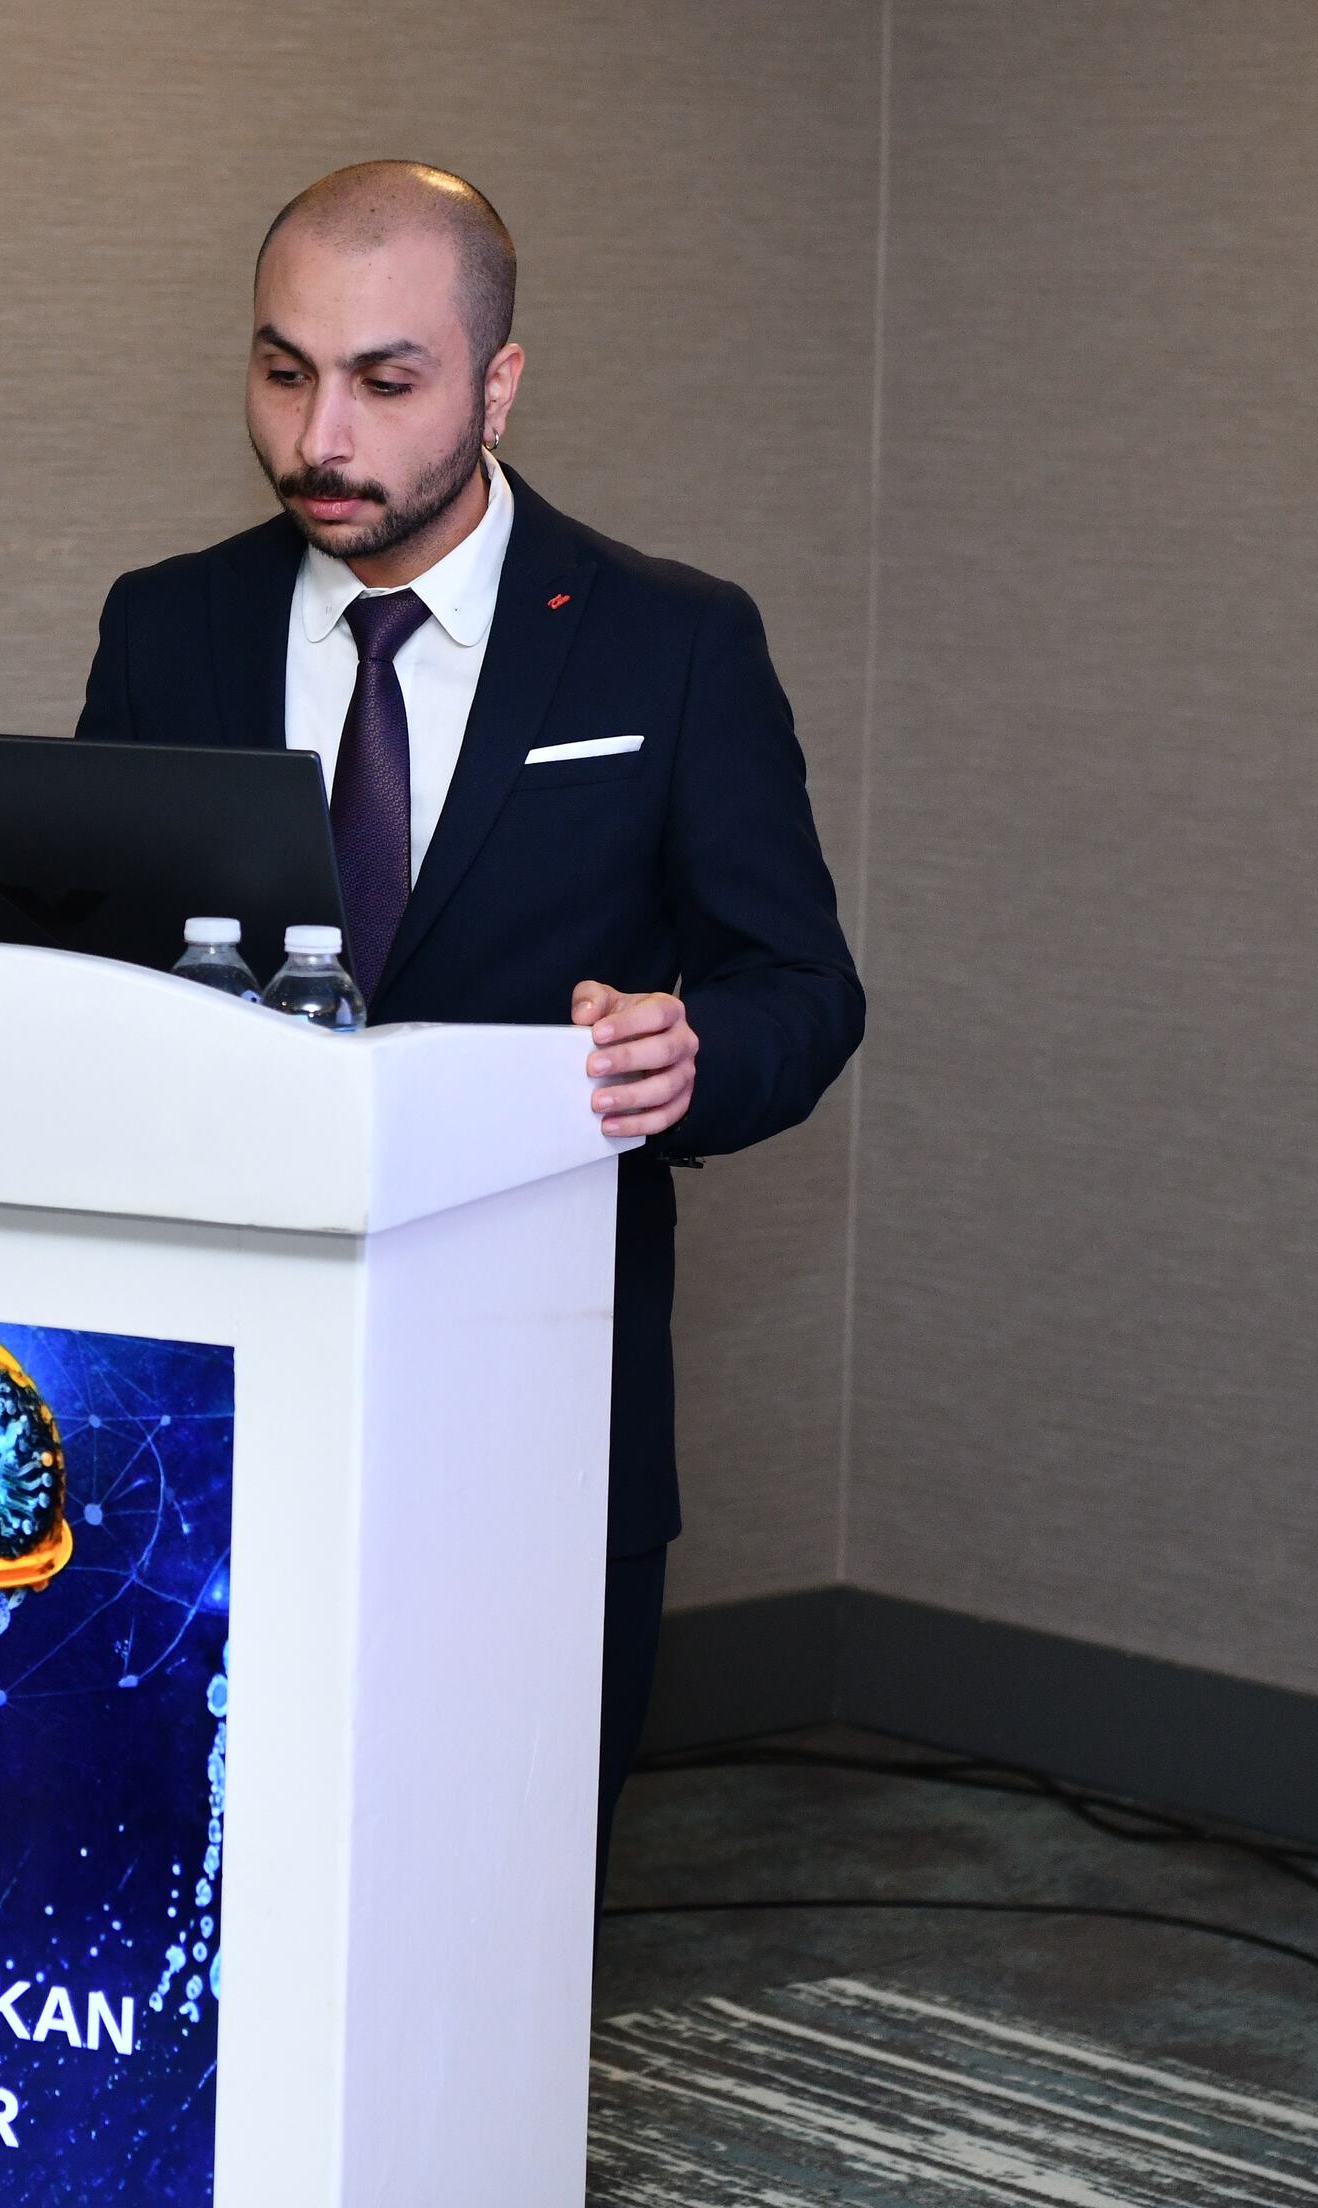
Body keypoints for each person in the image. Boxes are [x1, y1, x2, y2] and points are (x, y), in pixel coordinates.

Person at [75, 160, 864, 1880]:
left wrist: (692, 1056)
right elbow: (96, 968)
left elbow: (803, 991)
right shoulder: (169, 627)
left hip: (537, 1383)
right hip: (209, 1400)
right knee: (204, 1880)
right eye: (283, 373)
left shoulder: (669, 643)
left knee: (502, 1895)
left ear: (498, 387)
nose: (319, 438)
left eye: (385, 381)